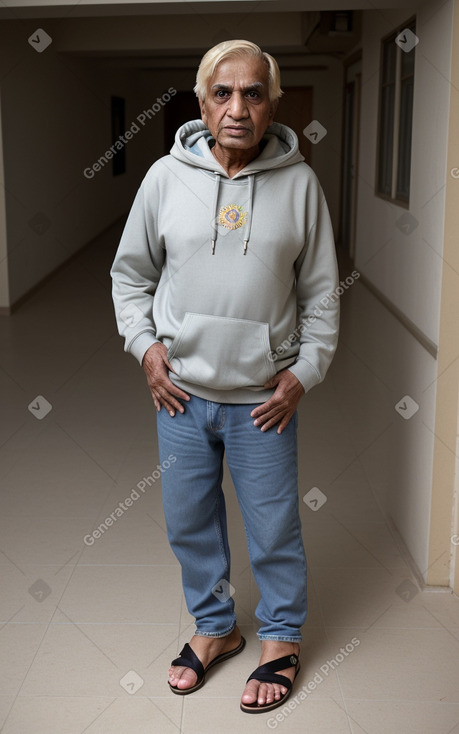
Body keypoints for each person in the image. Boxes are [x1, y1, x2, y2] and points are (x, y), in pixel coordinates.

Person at [110, 39, 339, 714]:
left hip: (262, 401)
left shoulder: (299, 184)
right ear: (202, 101)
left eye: (253, 93)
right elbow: (131, 275)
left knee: (271, 526)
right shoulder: (162, 178)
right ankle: (216, 629)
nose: (237, 107)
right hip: (179, 394)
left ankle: (280, 639)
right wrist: (146, 349)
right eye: (223, 93)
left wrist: (303, 373)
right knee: (188, 519)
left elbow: (322, 293)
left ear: (271, 104)